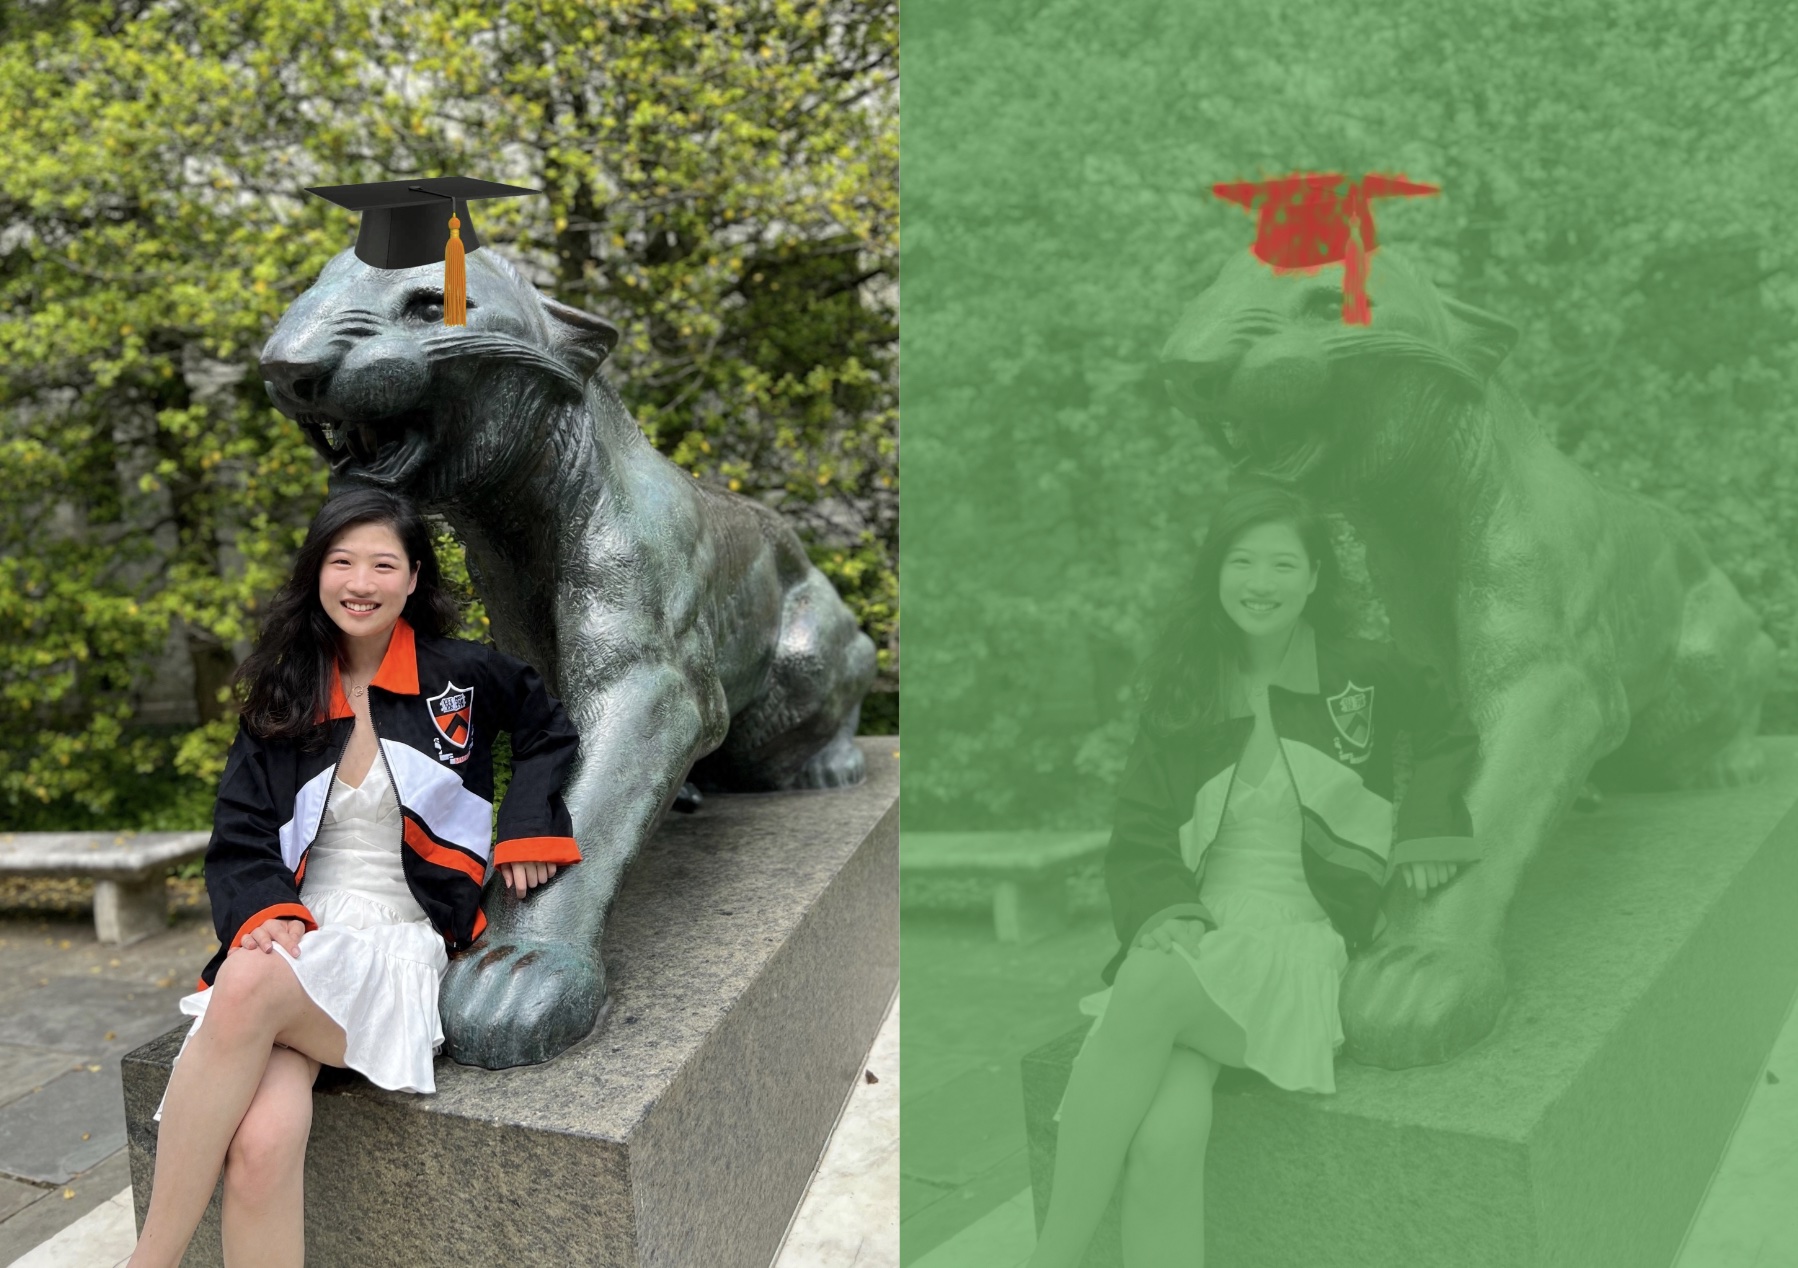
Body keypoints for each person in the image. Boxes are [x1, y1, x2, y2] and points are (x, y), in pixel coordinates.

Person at [1027, 482, 1480, 1268]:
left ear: (1313, 579)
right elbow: (1137, 830)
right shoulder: (1186, 689)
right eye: (1242, 561)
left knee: (1146, 983)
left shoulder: (1358, 670)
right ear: (1216, 573)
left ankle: (1049, 1260)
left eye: (1282, 564)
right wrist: (1163, 908)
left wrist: (1429, 828)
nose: (1260, 582)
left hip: (1302, 936)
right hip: (1204, 931)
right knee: (1165, 1138)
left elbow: (1449, 729)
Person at [128, 488, 582, 1268]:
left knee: (243, 981)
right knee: (262, 1142)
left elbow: (550, 730)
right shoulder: (287, 690)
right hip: (305, 935)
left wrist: (528, 826)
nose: (360, 582)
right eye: (342, 562)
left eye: (382, 563)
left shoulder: (461, 675)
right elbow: (238, 830)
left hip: (400, 939)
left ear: (412, 579)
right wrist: (267, 911)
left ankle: (147, 1264)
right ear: (317, 575)